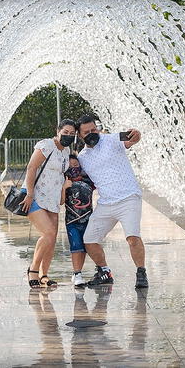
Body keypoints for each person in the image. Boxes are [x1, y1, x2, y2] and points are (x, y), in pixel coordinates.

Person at [75, 115, 148, 288]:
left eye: (94, 129)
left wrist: (136, 134)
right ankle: (104, 272)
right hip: (106, 203)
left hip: (129, 198)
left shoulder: (112, 139)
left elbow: (132, 137)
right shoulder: (83, 157)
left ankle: (141, 272)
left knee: (132, 237)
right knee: (90, 240)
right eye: (87, 132)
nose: (92, 133)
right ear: (80, 135)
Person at [20, 119, 76, 288]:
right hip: (35, 197)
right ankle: (33, 270)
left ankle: (44, 275)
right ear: (57, 131)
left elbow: (60, 176)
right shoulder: (46, 145)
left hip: (52, 200)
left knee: (51, 239)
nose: (68, 135)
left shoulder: (66, 151)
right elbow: (31, 168)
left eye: (72, 134)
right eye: (65, 132)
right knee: (49, 233)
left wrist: (64, 191)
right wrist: (29, 194)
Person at [61, 155, 95, 287]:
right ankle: (77, 273)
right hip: (72, 221)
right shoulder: (64, 181)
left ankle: (80, 272)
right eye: (70, 167)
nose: (73, 169)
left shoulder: (89, 180)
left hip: (88, 220)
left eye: (76, 166)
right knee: (76, 247)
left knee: (85, 247)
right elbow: (61, 201)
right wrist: (64, 187)